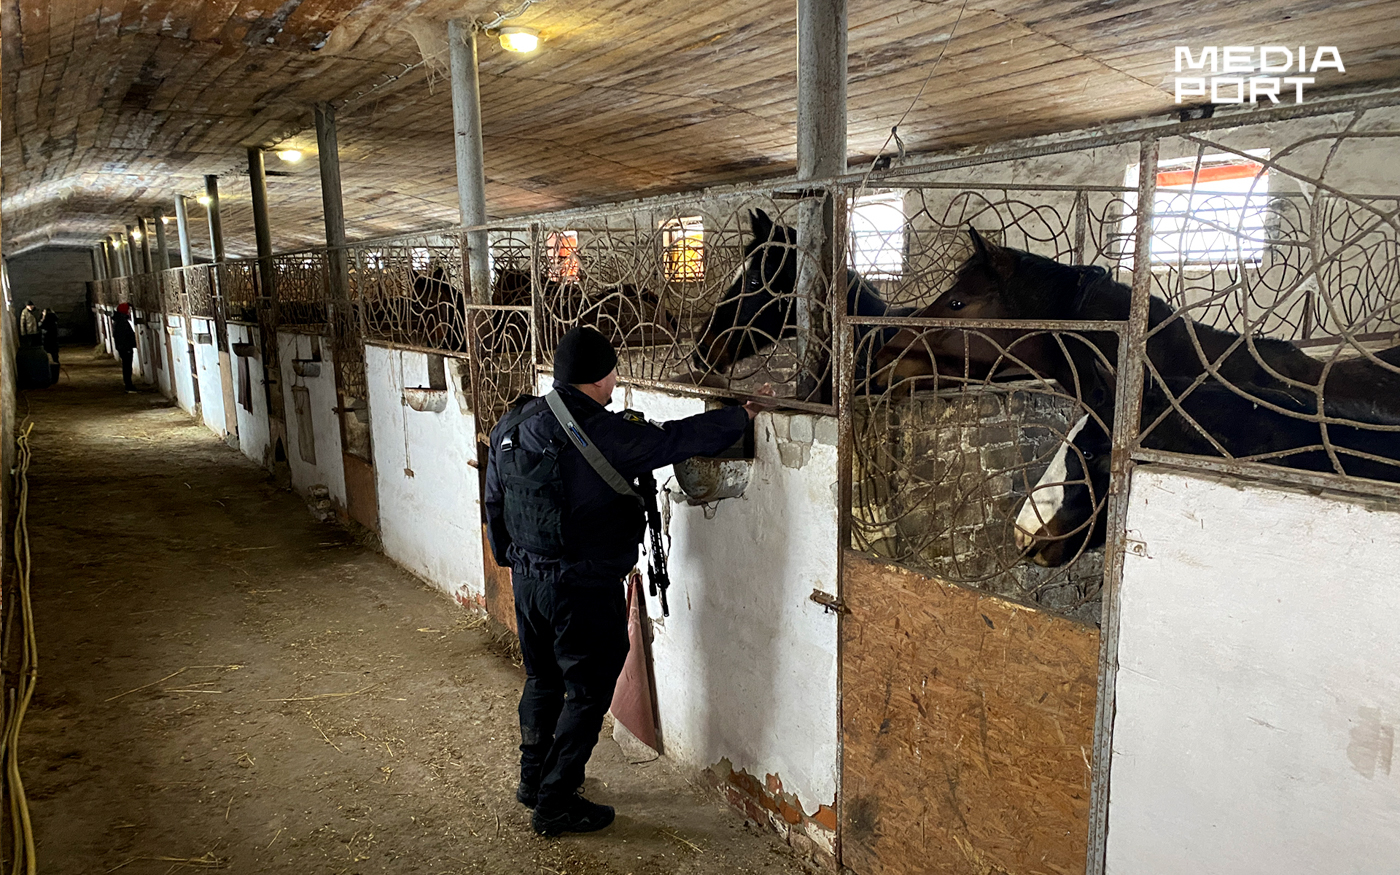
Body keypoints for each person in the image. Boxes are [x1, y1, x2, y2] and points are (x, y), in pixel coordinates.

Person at [484, 326, 774, 837]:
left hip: (530, 584)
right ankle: (553, 802)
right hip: (583, 587)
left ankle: (533, 780)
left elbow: (495, 501)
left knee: (542, 678)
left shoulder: (517, 419)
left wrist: (512, 561)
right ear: (601, 376)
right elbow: (676, 441)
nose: (617, 380)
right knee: (590, 690)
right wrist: (740, 416)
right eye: (614, 370)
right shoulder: (605, 432)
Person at [113, 303, 137, 392]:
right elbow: (123, 336)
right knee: (127, 366)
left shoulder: (120, 320)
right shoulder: (122, 322)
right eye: (128, 310)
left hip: (123, 347)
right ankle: (128, 385)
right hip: (125, 348)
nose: (129, 312)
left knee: (127, 366)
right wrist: (127, 346)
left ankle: (128, 384)